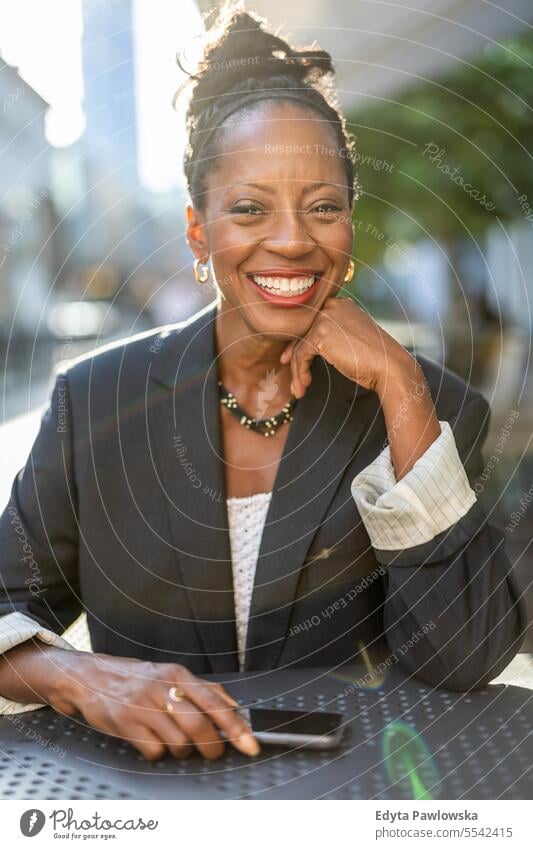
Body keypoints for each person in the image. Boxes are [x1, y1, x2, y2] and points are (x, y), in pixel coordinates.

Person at [0, 7, 525, 763]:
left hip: (357, 803)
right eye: (248, 208)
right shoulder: (96, 401)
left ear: (347, 232)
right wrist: (73, 673)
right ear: (197, 233)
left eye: (322, 207)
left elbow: (465, 653)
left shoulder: (427, 406)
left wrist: (401, 387)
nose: (290, 238)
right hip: (149, 805)